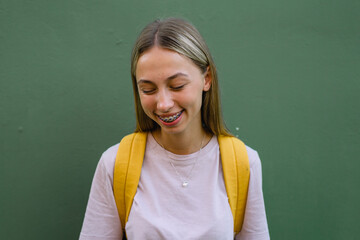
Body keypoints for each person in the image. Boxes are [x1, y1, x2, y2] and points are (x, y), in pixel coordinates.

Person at [80, 18, 270, 240]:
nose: (163, 104)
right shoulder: (115, 164)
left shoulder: (243, 163)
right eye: (148, 89)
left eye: (177, 86)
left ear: (206, 79)